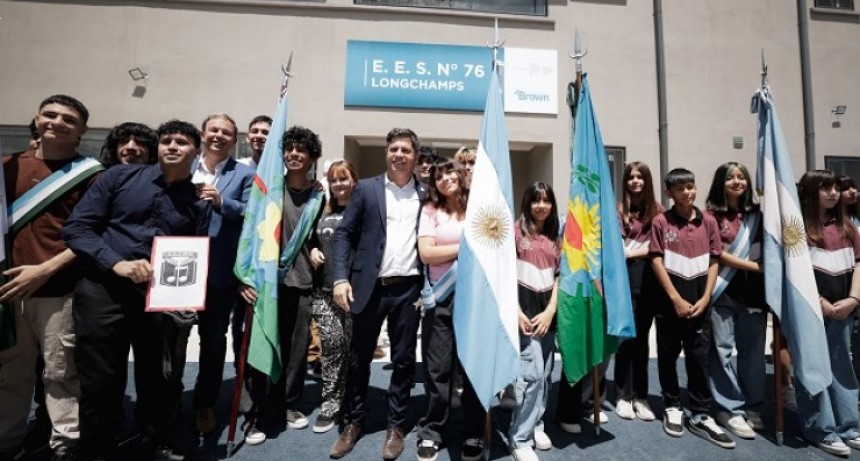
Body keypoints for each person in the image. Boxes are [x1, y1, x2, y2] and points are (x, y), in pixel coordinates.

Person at [62, 120, 210, 461]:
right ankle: (98, 448)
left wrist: (185, 300)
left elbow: (195, 251)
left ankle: (152, 443)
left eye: (182, 142)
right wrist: (117, 264)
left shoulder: (199, 200)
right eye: (167, 140)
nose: (172, 146)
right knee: (100, 379)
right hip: (104, 289)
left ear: (196, 153)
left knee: (156, 377)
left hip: (159, 298)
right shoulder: (117, 178)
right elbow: (77, 229)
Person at [0, 94, 103, 461]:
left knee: (60, 373)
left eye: (68, 119)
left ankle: (65, 443)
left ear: (81, 130)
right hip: (8, 290)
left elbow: (95, 236)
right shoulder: (8, 166)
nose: (57, 122)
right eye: (50, 114)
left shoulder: (91, 175)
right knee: (10, 371)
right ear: (37, 118)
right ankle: (8, 438)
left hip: (58, 289)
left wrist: (43, 270)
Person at [329, 128, 426, 461]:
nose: (398, 154)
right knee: (358, 359)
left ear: (416, 156)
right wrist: (340, 277)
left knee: (402, 361)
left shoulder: (425, 195)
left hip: (409, 289)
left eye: (405, 150)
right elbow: (344, 234)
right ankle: (353, 423)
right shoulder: (366, 189)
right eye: (393, 148)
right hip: (367, 287)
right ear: (387, 152)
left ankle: (396, 427)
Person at [239, 125, 326, 444]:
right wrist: (243, 278)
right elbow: (247, 235)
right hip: (264, 284)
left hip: (300, 281)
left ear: (312, 157)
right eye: (289, 149)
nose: (294, 154)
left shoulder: (319, 195)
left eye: (301, 150)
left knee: (296, 350)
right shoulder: (267, 190)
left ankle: (288, 405)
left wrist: (317, 248)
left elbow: (320, 234)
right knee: (260, 348)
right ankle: (253, 414)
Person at [649, 168, 734, 448]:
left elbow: (714, 260)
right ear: (669, 193)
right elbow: (656, 260)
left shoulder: (708, 221)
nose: (687, 192)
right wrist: (674, 298)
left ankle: (700, 413)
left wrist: (706, 297)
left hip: (700, 304)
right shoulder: (661, 221)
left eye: (691, 187)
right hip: (669, 305)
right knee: (668, 356)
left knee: (699, 359)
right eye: (680, 189)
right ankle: (671, 405)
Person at [415, 161, 485, 461]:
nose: (444, 179)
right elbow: (427, 253)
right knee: (438, 368)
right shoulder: (430, 211)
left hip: (475, 297)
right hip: (441, 298)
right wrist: (465, 246)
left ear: (461, 176)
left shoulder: (478, 208)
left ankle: (473, 431)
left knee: (472, 368)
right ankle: (433, 430)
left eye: (449, 173)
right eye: (438, 176)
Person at [191, 113, 255, 435]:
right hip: (181, 271)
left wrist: (222, 201)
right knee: (170, 343)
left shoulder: (244, 174)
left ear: (234, 138)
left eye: (226, 133)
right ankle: (175, 402)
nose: (219, 136)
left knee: (214, 341)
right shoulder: (184, 165)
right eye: (213, 130)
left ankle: (209, 404)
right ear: (203, 133)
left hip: (221, 273)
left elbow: (250, 213)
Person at [796, 170, 860, 457]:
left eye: (835, 187)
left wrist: (854, 298)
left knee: (842, 365)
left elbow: (859, 264)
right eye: (826, 188)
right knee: (814, 367)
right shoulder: (797, 230)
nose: (833, 193)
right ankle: (821, 429)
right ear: (811, 192)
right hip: (812, 310)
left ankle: (849, 426)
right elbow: (796, 272)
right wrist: (818, 300)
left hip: (844, 309)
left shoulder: (848, 227)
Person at [704, 162, 766, 440]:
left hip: (754, 293)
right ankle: (730, 408)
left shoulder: (760, 216)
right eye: (731, 178)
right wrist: (753, 267)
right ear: (721, 183)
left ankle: (753, 405)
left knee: (752, 354)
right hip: (723, 291)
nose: (737, 182)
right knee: (722, 350)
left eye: (741, 177)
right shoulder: (710, 216)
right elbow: (714, 251)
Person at [508, 182, 561, 461]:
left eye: (547, 200)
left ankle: (536, 423)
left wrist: (552, 310)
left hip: (548, 316)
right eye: (536, 200)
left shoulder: (557, 234)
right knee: (531, 377)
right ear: (527, 202)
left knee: (545, 376)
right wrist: (516, 311)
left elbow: (559, 276)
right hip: (524, 315)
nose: (541, 206)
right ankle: (519, 438)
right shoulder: (515, 230)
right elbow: (504, 272)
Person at [309, 160, 359, 434]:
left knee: (352, 351)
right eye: (334, 180)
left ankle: (351, 400)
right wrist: (312, 251)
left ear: (354, 180)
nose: (338, 184)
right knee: (331, 346)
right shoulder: (322, 210)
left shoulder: (361, 210)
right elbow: (309, 239)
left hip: (353, 293)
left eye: (343, 179)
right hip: (324, 291)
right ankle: (330, 403)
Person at [613, 162, 661, 422]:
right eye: (630, 177)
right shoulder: (619, 210)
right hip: (625, 282)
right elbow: (617, 245)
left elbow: (657, 246)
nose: (635, 181)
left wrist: (632, 253)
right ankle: (622, 395)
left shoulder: (659, 211)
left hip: (650, 282)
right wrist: (628, 252)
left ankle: (641, 397)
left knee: (641, 341)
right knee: (624, 341)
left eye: (640, 176)